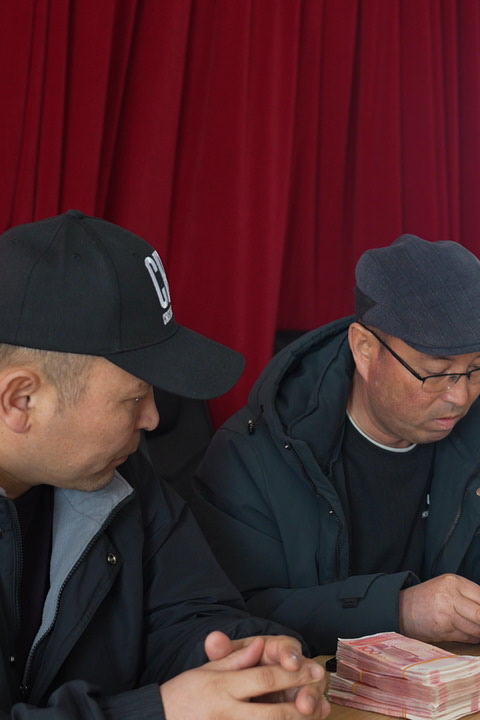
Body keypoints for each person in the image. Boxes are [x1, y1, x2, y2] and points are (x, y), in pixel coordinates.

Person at [187, 234, 480, 655]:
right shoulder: (257, 453)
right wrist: (397, 610)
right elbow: (236, 613)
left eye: (478, 369)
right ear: (365, 350)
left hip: (459, 678)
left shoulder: (478, 428)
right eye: (436, 373)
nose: (460, 397)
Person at [0, 211, 329, 719]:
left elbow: (188, 615)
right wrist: (160, 712)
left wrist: (250, 661)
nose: (153, 418)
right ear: (22, 400)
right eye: (134, 398)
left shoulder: (122, 479)